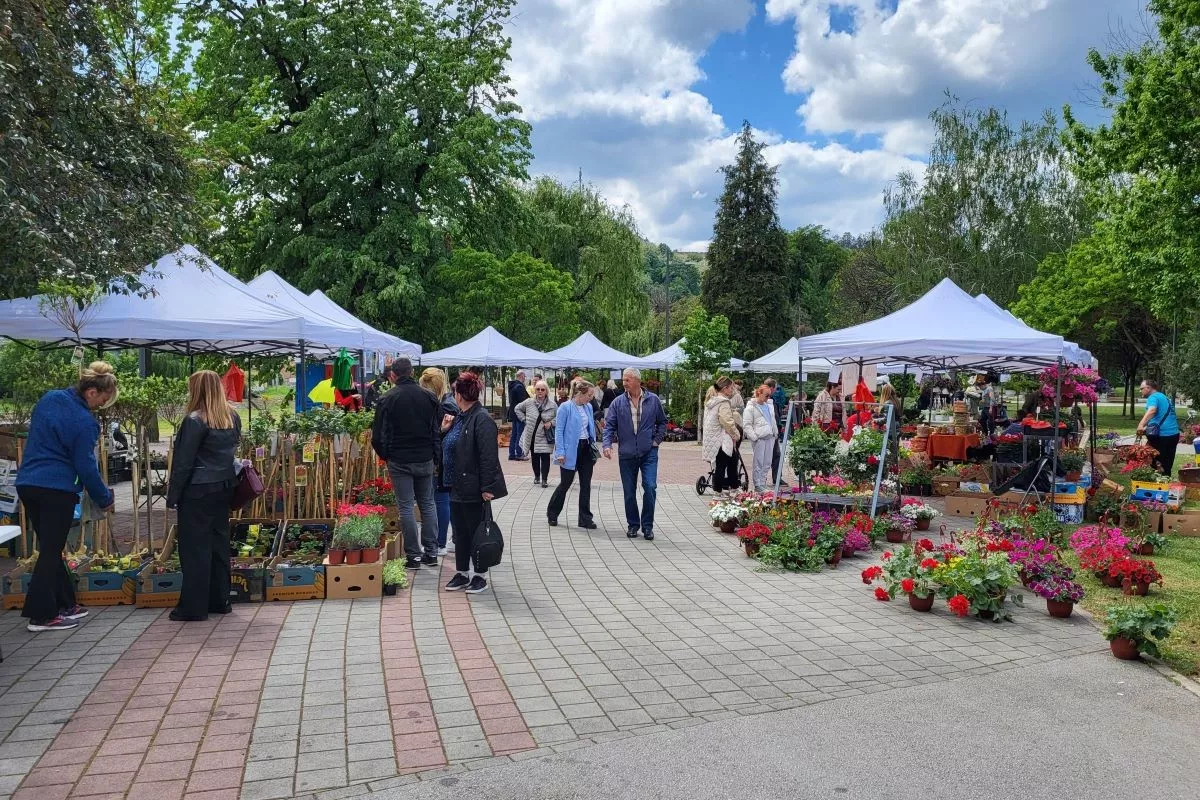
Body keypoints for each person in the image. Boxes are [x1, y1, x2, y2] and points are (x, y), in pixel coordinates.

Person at [15, 362, 117, 632]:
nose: (100, 407)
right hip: (56, 489)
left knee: (51, 545)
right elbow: (86, 466)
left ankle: (64, 602)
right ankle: (42, 615)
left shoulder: (50, 398)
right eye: (103, 401)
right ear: (92, 391)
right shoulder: (85, 422)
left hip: (27, 482)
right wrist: (105, 497)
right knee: (50, 550)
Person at [166, 370, 242, 621]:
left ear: (196, 390)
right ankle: (220, 600)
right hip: (224, 486)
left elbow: (183, 463)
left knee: (195, 548)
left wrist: (173, 494)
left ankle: (193, 607)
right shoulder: (231, 417)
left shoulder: (195, 420)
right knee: (219, 545)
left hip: (197, 490)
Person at [442, 372, 507, 594]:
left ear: (459, 394)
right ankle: (462, 572)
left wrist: (488, 487)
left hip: (473, 484)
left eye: (454, 392)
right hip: (456, 483)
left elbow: (489, 456)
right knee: (460, 531)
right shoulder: (461, 416)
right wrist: (444, 431)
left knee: (476, 530)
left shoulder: (482, 419)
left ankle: (480, 575)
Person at [372, 358, 440, 570]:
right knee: (427, 504)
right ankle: (432, 552)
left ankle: (414, 556)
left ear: (393, 375)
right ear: (411, 372)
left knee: (406, 507)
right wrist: (435, 455)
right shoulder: (429, 396)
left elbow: (377, 435)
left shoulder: (387, 398)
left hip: (399, 459)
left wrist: (387, 455)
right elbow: (435, 430)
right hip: (424, 457)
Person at [603, 368, 667, 540]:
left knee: (650, 487)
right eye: (623, 380)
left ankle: (647, 526)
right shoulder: (617, 402)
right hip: (627, 454)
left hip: (649, 453)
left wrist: (656, 441)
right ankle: (633, 525)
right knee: (629, 492)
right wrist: (607, 444)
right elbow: (609, 426)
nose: (624, 383)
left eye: (627, 380)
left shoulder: (653, 400)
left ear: (638, 381)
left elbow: (662, 422)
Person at [547, 381, 598, 529]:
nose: (591, 398)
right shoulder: (565, 407)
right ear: (579, 393)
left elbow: (590, 428)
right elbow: (559, 431)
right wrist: (560, 452)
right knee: (566, 483)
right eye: (589, 395)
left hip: (586, 448)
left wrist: (593, 446)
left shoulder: (588, 407)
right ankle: (552, 513)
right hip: (571, 450)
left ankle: (585, 518)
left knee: (586, 484)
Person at [420, 368, 458, 556]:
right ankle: (452, 539)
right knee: (446, 500)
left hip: (442, 459)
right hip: (446, 458)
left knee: (441, 500)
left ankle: (441, 542)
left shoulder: (444, 405)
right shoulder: (448, 402)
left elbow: (441, 434)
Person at [702, 377, 743, 493]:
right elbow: (727, 421)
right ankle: (720, 491)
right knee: (724, 464)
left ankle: (732, 488)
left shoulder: (711, 402)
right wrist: (736, 434)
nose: (732, 391)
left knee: (729, 462)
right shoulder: (723, 402)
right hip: (722, 438)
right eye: (731, 388)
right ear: (725, 388)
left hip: (713, 437)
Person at [517, 381, 557, 488]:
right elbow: (517, 409)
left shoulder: (552, 405)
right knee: (534, 457)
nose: (540, 391)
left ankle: (544, 479)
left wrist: (551, 423)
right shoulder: (529, 402)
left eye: (542, 389)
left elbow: (559, 418)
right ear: (535, 390)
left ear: (546, 391)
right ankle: (537, 476)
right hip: (532, 434)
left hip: (545, 435)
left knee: (545, 457)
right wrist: (524, 419)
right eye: (538, 389)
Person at [1137, 378, 1180, 476]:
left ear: (1148, 388)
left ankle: (1157, 488)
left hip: (1162, 436)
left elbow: (1152, 410)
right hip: (1174, 434)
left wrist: (1141, 425)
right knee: (1167, 464)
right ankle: (1166, 486)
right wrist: (1146, 428)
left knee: (1156, 464)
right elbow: (1161, 416)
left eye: (1141, 388)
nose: (1140, 391)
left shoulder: (1153, 397)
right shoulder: (1163, 397)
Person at [741, 384, 777, 492]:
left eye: (769, 396)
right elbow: (746, 425)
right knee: (758, 462)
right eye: (766, 395)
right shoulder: (750, 408)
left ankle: (762, 482)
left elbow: (773, 420)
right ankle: (757, 484)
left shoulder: (769, 406)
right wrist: (754, 437)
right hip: (760, 438)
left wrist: (775, 433)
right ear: (759, 393)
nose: (768, 398)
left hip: (770, 437)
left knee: (767, 462)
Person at [507, 370, 530, 461]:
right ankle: (519, 453)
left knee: (514, 434)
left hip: (513, 413)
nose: (525, 378)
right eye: (524, 376)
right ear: (521, 376)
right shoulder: (519, 387)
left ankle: (512, 453)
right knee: (519, 434)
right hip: (519, 414)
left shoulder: (512, 386)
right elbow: (523, 402)